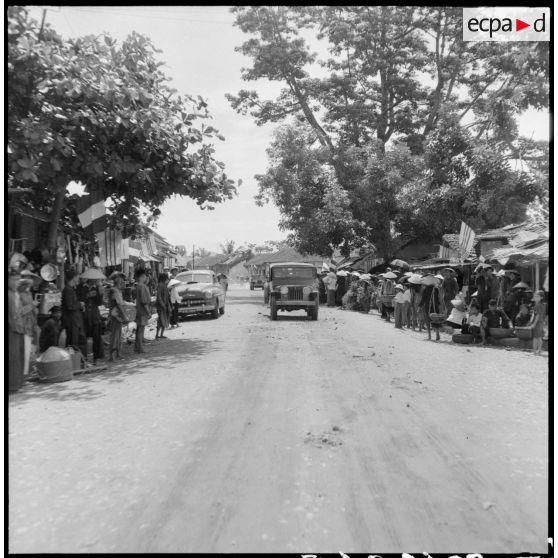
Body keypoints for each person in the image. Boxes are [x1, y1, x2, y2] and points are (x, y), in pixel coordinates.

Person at [61, 270, 87, 357]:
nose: (78, 278)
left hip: (75, 320)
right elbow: (70, 306)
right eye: (77, 276)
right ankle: (73, 362)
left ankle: (79, 361)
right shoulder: (68, 290)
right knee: (73, 342)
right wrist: (80, 304)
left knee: (77, 342)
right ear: (73, 277)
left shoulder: (71, 289)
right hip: (72, 321)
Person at [8, 270, 26, 392]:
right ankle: (11, 385)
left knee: (19, 356)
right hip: (10, 329)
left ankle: (17, 383)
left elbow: (19, 311)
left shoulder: (16, 294)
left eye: (17, 280)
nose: (16, 283)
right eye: (14, 280)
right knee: (12, 357)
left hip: (19, 327)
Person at [80, 279, 105, 365]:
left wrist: (101, 294)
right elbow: (79, 299)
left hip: (94, 315)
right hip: (85, 315)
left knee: (97, 338)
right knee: (83, 338)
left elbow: (100, 303)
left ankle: (96, 359)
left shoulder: (97, 288)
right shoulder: (82, 287)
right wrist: (88, 295)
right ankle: (84, 359)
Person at [18, 277, 39, 376]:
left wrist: (34, 309)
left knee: (32, 348)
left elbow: (32, 308)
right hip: (23, 325)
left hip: (32, 324)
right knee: (26, 349)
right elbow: (20, 311)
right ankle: (24, 373)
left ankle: (29, 370)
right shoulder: (19, 295)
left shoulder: (29, 294)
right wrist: (32, 306)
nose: (29, 288)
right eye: (28, 286)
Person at [108, 274, 127, 361]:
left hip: (116, 315)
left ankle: (118, 353)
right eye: (122, 282)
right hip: (116, 316)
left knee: (118, 335)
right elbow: (119, 305)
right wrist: (124, 315)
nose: (124, 283)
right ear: (119, 282)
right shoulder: (115, 291)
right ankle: (112, 355)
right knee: (115, 335)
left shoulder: (116, 291)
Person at [134, 269, 151, 353]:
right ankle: (140, 348)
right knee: (141, 329)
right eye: (145, 276)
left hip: (139, 310)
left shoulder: (138, 286)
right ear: (142, 276)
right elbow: (144, 301)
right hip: (143, 311)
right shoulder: (142, 286)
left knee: (139, 329)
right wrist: (148, 312)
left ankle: (137, 347)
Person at [530, 290, 546, 355]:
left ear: (541, 297)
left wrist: (534, 323)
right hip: (541, 323)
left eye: (537, 296)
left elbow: (537, 315)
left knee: (535, 338)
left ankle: (534, 351)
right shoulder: (543, 305)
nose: (535, 297)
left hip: (537, 323)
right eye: (535, 296)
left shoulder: (537, 305)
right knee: (540, 338)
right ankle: (539, 351)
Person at [156, 273, 172, 339]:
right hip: (161, 306)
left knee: (164, 319)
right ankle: (157, 335)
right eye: (167, 278)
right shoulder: (160, 285)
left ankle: (161, 334)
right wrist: (162, 304)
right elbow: (159, 296)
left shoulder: (165, 285)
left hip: (165, 305)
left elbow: (167, 296)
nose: (168, 279)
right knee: (160, 320)